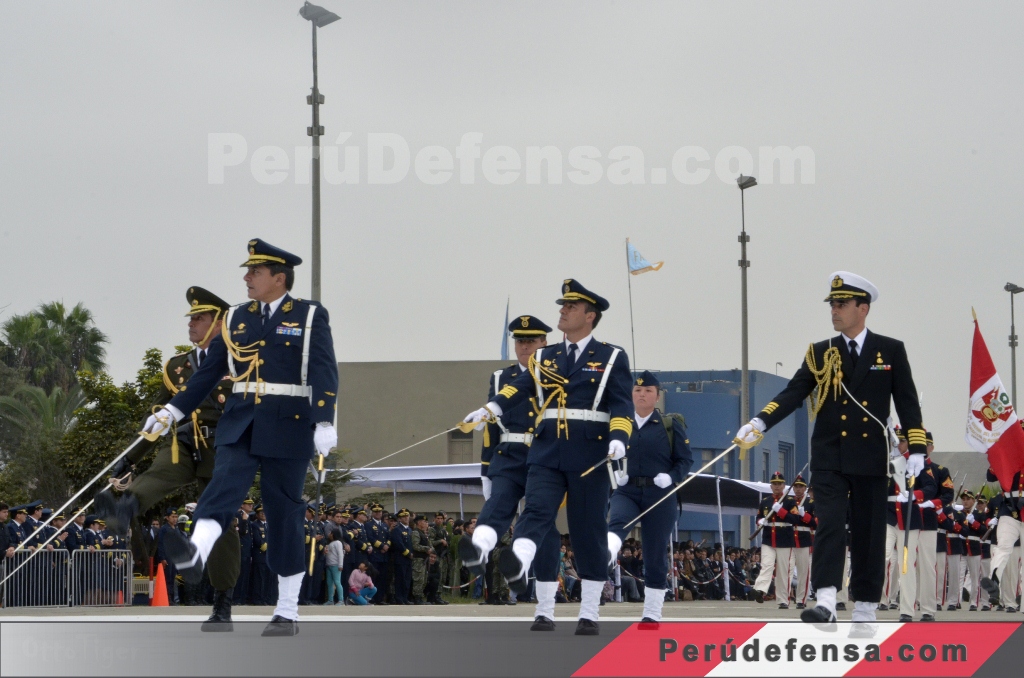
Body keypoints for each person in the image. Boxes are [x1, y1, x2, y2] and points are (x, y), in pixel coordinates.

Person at [147, 239, 339, 637]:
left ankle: (287, 610)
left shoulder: (308, 315)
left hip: (290, 422)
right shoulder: (235, 317)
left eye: (255, 272)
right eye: (247, 272)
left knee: (284, 511)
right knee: (222, 488)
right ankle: (196, 552)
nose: (247, 278)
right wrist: (172, 410)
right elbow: (206, 374)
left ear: (279, 278)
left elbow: (323, 368)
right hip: (240, 420)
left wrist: (324, 421)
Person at [735, 272, 926, 633]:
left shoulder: (890, 350)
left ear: (862, 308)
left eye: (842, 304)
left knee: (869, 534)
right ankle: (825, 601)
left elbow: (907, 401)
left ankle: (866, 609)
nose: (834, 311)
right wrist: (760, 421)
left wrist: (915, 446)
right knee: (831, 525)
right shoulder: (820, 352)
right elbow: (793, 393)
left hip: (870, 456)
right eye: (833, 305)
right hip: (830, 456)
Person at [463, 280, 632, 636]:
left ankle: (588, 612)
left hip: (589, 452)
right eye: (563, 305)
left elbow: (621, 404)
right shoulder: (544, 356)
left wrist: (619, 438)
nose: (562, 311)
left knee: (588, 531)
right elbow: (520, 387)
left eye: (570, 307)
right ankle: (520, 559)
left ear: (590, 316)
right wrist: (491, 406)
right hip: (546, 449)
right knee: (538, 509)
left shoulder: (611, 356)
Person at [94, 286, 240, 629]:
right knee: (162, 471)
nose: (191, 324)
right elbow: (157, 418)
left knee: (221, 525)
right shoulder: (176, 368)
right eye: (190, 318)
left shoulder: (240, 362)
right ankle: (126, 507)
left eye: (199, 318)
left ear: (218, 323)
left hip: (224, 451)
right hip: (182, 443)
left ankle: (223, 604)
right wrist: (130, 458)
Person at [459, 314, 564, 630]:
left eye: (531, 340)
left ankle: (545, 609)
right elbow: (491, 426)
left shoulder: (558, 375)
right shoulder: (499, 378)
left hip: (545, 456)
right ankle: (479, 549)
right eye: (520, 341)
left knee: (544, 529)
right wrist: (485, 469)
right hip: (508, 455)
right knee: (497, 503)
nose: (525, 346)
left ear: (544, 343)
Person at [606, 370, 693, 624]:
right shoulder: (620, 424)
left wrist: (671, 476)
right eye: (637, 390)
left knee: (654, 552)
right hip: (627, 489)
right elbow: (606, 455)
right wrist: (616, 475)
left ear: (657, 396)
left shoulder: (669, 424)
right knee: (617, 522)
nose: (642, 394)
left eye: (648, 391)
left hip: (660, 494)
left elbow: (685, 460)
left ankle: (652, 611)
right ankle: (607, 553)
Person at [980, 464, 1024, 610]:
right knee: (1003, 546)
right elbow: (991, 476)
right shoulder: (1009, 456)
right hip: (1009, 509)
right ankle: (994, 581)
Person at [752, 472, 797, 608]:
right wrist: (760, 521)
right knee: (766, 565)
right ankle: (760, 590)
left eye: (779, 484)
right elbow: (758, 517)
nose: (776, 486)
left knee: (783, 570)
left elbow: (795, 519)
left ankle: (783, 600)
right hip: (768, 538)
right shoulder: (765, 501)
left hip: (784, 539)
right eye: (774, 484)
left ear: (783, 486)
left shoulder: (789, 501)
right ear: (771, 486)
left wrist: (781, 511)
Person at [784, 475, 815, 609]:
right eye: (796, 487)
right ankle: (784, 599)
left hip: (804, 538)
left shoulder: (811, 503)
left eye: (800, 487)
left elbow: (816, 522)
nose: (797, 489)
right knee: (787, 570)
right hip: (789, 537)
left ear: (805, 488)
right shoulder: (787, 502)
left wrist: (805, 515)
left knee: (803, 572)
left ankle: (801, 599)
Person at [365, 504, 390, 604]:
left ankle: (380, 598)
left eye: (379, 512)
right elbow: (370, 538)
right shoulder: (369, 524)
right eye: (376, 512)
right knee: (373, 578)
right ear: (372, 513)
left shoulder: (384, 525)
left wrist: (387, 545)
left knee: (382, 578)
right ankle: (372, 598)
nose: (378, 513)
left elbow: (389, 537)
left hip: (384, 556)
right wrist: (381, 546)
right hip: (375, 555)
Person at [390, 508, 413, 605]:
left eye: (407, 516)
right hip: (401, 558)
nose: (406, 518)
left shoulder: (410, 529)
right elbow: (398, 544)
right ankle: (399, 598)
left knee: (407, 579)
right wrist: (407, 553)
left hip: (409, 559)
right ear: (399, 519)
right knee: (400, 579)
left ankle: (405, 597)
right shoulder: (397, 530)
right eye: (403, 517)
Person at [410, 515, 434, 604]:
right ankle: (416, 597)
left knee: (423, 579)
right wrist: (426, 549)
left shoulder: (424, 533)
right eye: (424, 522)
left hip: (424, 559)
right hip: (418, 560)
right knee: (418, 579)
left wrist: (430, 549)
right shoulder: (416, 533)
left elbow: (430, 545)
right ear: (419, 523)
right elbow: (415, 546)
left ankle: (420, 596)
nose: (426, 524)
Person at [324, 528, 346, 605]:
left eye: (331, 533)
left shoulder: (338, 542)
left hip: (336, 565)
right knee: (329, 583)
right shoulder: (330, 543)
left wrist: (340, 564)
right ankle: (330, 600)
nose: (329, 534)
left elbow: (340, 554)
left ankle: (341, 600)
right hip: (329, 564)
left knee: (337, 582)